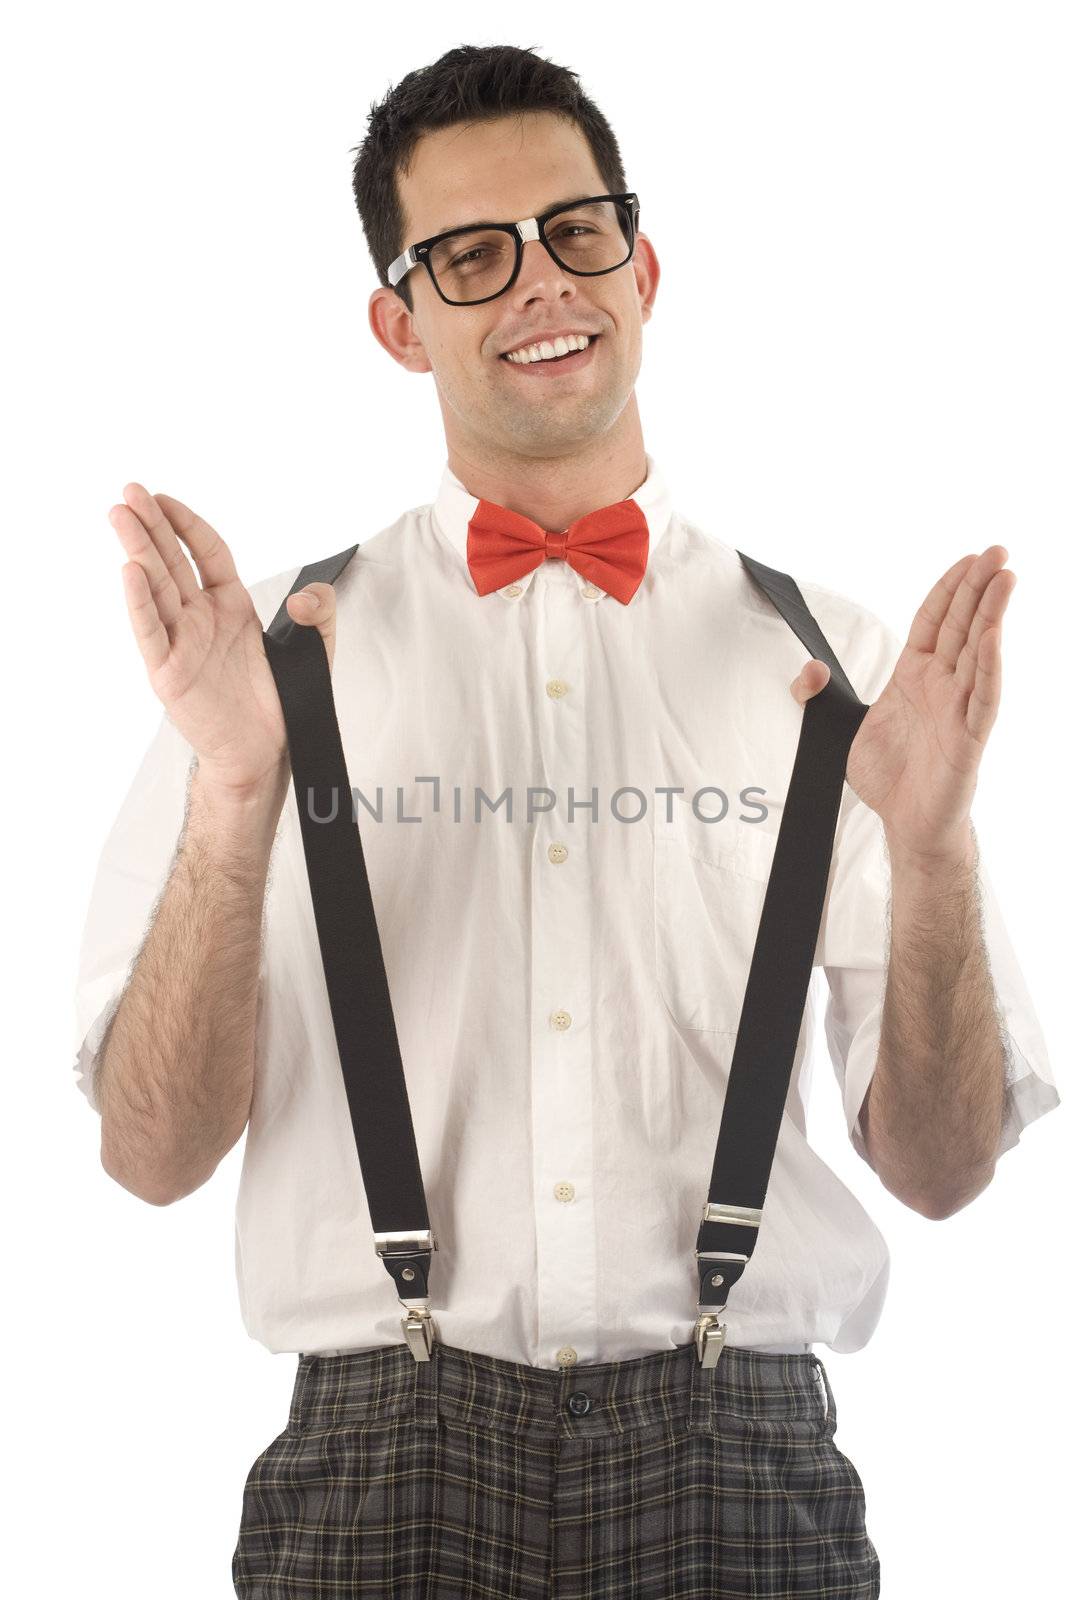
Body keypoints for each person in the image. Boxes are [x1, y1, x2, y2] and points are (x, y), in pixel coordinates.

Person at [73, 42, 1059, 1600]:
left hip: (748, 1470)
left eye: (575, 230)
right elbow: (147, 1153)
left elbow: (942, 1174)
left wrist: (934, 849)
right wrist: (239, 791)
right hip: (375, 1473)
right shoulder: (254, 677)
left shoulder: (849, 669)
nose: (540, 282)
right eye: (470, 255)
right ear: (399, 324)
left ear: (644, 265)